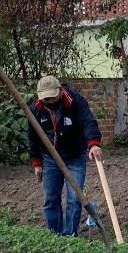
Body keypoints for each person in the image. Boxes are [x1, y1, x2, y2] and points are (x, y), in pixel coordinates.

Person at [28, 75, 102, 236]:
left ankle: (69, 236)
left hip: (74, 157)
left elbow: (88, 122)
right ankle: (54, 236)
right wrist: (37, 162)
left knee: (75, 198)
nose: (49, 101)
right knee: (50, 199)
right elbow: (33, 136)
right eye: (45, 98)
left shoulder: (75, 102)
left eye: (52, 97)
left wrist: (94, 143)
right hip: (50, 159)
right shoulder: (37, 108)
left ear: (60, 91)